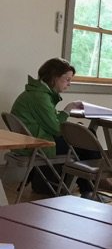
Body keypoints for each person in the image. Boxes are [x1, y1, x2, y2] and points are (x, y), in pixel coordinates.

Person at [10, 58, 95, 197]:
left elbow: (51, 123)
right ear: (54, 77)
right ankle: (91, 187)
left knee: (84, 135)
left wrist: (68, 115)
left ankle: (89, 186)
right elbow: (55, 128)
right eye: (67, 79)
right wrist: (68, 111)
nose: (69, 84)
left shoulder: (35, 92)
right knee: (87, 137)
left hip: (32, 140)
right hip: (39, 145)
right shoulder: (41, 97)